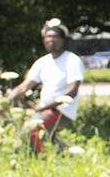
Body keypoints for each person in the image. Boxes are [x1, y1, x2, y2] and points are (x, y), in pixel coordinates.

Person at [20, 21, 87, 154]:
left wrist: (44, 107)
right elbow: (24, 87)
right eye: (48, 36)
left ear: (63, 40)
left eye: (55, 36)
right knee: (46, 137)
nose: (51, 39)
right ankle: (69, 154)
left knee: (30, 131)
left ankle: (41, 160)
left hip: (61, 110)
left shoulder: (72, 60)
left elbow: (72, 91)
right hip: (44, 109)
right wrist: (3, 102)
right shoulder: (42, 62)